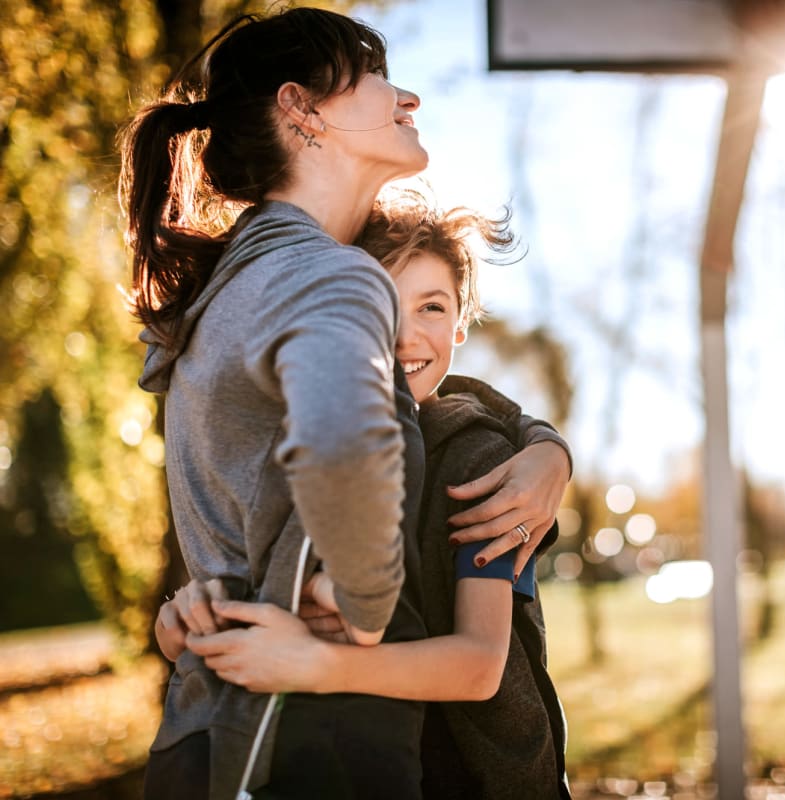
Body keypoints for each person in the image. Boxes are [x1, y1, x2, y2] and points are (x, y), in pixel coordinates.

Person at [117, 8, 570, 800]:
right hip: (318, 742)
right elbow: (341, 449)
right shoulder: (328, 275)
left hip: (206, 735)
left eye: (434, 307)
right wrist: (363, 610)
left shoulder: (222, 293)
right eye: (374, 75)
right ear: (302, 108)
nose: (408, 98)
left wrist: (541, 443)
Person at [170, 191, 572, 799]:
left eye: (432, 307)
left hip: (477, 777)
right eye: (380, 305)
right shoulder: (314, 446)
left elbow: (480, 667)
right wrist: (188, 620)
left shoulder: (479, 458)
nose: (407, 336)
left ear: (461, 322)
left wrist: (315, 663)